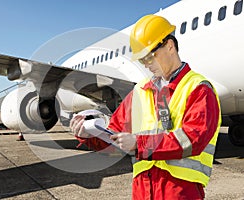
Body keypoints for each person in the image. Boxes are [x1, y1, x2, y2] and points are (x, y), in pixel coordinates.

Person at [70, 14, 221, 200]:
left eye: (150, 57)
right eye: (142, 60)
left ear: (170, 46)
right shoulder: (140, 91)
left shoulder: (198, 88)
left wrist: (139, 143)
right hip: (143, 189)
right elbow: (113, 134)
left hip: (180, 191)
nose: (147, 65)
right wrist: (88, 135)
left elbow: (193, 139)